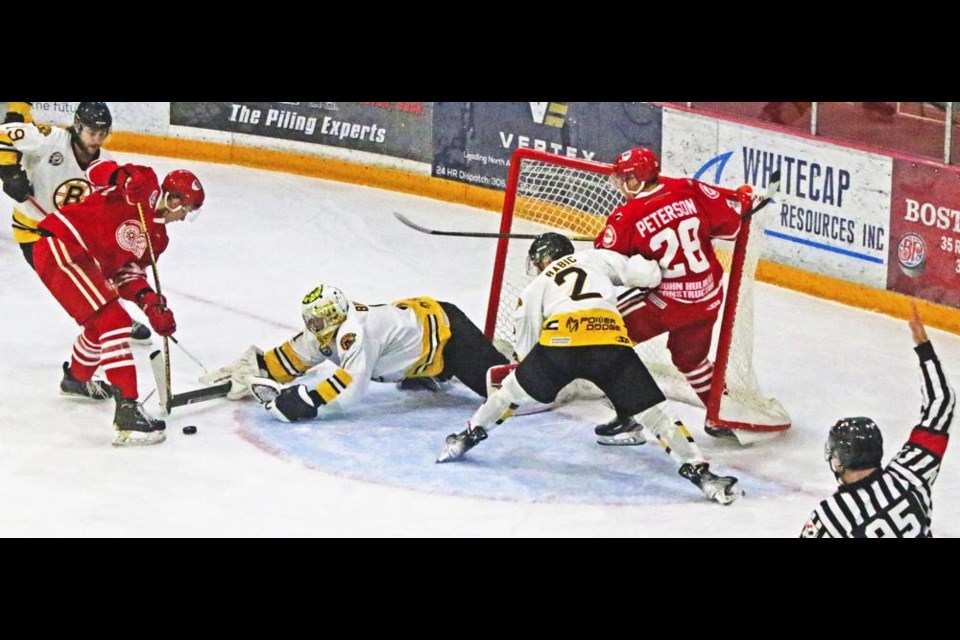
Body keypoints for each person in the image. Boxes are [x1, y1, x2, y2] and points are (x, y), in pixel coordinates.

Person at [437, 232, 743, 505]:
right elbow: (649, 274)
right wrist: (637, 248)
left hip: (559, 345)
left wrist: (541, 373)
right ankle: (702, 475)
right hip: (608, 340)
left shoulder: (535, 287)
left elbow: (526, 351)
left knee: (508, 395)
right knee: (657, 414)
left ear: (542, 259)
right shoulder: (594, 257)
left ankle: (466, 437)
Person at [33, 157, 206, 446]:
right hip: (64, 244)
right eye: (187, 209)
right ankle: (127, 409)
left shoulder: (158, 238)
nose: (185, 217)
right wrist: (122, 178)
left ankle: (77, 378)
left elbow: (127, 274)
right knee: (115, 321)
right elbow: (95, 171)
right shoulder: (145, 181)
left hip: (86, 261)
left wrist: (150, 302)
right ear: (175, 200)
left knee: (100, 325)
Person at [594, 147, 758, 439]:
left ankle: (628, 410)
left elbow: (606, 263)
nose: (620, 185)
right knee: (689, 360)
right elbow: (733, 229)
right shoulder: (689, 188)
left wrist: (638, 266)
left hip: (665, 302)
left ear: (638, 180)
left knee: (605, 333)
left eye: (625, 179)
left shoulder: (627, 215)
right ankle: (723, 413)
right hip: (706, 298)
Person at [204, 286, 511, 422]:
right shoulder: (325, 329)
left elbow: (351, 386)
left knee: (507, 393)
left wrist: (308, 401)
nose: (314, 328)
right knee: (412, 374)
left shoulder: (354, 332)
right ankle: (440, 370)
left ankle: (533, 367)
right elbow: (291, 358)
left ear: (336, 317)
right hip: (417, 339)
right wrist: (256, 369)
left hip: (449, 337)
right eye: (310, 321)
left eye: (319, 322)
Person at [0, 101, 153, 343]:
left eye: (102, 134)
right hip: (35, 233)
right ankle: (103, 325)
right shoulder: (51, 140)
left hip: (70, 234)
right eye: (92, 132)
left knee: (100, 273)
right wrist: (9, 172)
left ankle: (118, 317)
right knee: (72, 288)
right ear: (78, 127)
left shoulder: (105, 162)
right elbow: (6, 132)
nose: (96, 140)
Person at [800, 301, 955, 537]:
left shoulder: (830, 516)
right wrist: (924, 349)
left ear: (839, 460)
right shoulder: (910, 474)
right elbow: (941, 402)